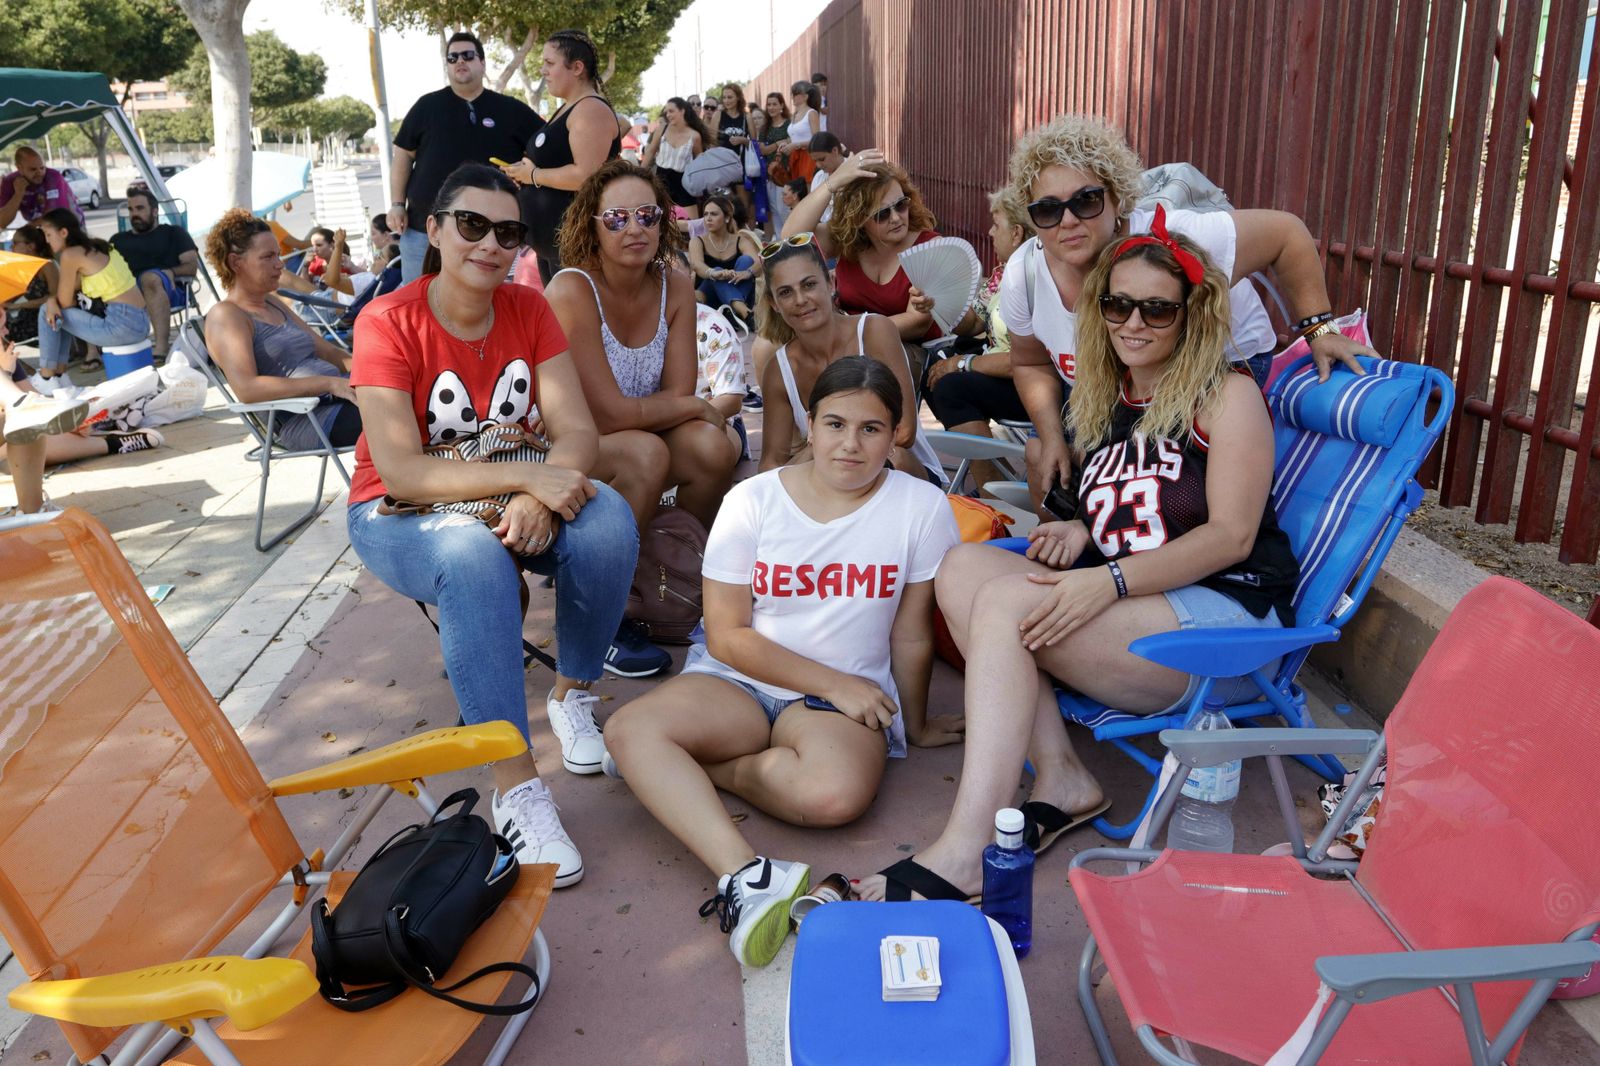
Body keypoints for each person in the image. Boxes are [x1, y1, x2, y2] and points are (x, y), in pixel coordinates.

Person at [860, 225, 1305, 904]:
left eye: (1157, 308)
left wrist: (1109, 578)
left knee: (1008, 606)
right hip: (1141, 608)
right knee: (963, 571)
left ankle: (965, 848)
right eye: (1118, 305)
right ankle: (1063, 778)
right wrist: (1081, 532)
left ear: (1192, 314)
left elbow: (1230, 538)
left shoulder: (1225, 394)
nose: (1134, 322)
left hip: (1226, 630)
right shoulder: (1108, 401)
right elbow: (1139, 514)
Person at [604, 356, 962, 966]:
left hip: (836, 704)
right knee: (628, 728)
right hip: (744, 680)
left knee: (831, 799)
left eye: (871, 429)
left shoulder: (921, 507)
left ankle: (688, 769)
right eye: (834, 424)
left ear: (895, 433)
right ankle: (746, 876)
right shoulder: (753, 500)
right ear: (810, 426)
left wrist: (918, 722)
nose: (850, 444)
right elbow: (725, 636)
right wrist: (832, 681)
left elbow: (910, 632)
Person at [350, 164, 638, 883]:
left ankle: (572, 695)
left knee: (609, 523)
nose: (490, 245)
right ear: (437, 229)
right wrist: (526, 479)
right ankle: (516, 787)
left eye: (507, 232)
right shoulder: (388, 320)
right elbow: (407, 471)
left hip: (516, 482)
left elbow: (576, 431)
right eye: (472, 226)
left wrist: (541, 494)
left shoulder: (529, 309)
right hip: (398, 508)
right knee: (474, 559)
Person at [998, 114, 1374, 513]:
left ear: (1116, 196)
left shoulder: (1173, 240)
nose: (1068, 221)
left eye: (1086, 200)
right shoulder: (1025, 275)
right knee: (1050, 463)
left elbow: (1286, 235)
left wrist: (1319, 328)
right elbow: (1030, 361)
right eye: (1047, 210)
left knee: (1162, 497)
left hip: (1218, 371)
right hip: (1118, 382)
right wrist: (1053, 434)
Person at [547, 159, 739, 586]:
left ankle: (673, 566)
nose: (634, 228)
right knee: (647, 451)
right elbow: (607, 416)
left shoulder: (677, 285)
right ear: (592, 226)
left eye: (647, 215)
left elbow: (677, 390)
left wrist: (682, 404)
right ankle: (604, 591)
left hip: (647, 433)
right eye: (616, 218)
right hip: (573, 445)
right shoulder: (572, 289)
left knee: (714, 445)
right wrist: (690, 405)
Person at [752, 232, 942, 481]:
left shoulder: (874, 331)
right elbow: (769, 465)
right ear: (774, 303)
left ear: (831, 283)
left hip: (897, 474)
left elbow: (904, 432)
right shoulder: (780, 369)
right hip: (831, 480)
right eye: (786, 292)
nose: (800, 300)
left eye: (809, 285)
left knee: (892, 457)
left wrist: (820, 445)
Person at [202, 209, 363, 453]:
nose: (280, 264)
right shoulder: (227, 316)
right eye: (268, 257)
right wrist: (328, 384)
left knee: (416, 396)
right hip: (305, 419)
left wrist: (373, 370)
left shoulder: (273, 302)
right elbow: (247, 388)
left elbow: (330, 353)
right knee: (402, 417)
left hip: (338, 399)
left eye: (278, 255)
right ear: (236, 262)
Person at [388, 32, 543, 283]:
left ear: (482, 63)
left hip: (492, 237)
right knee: (419, 307)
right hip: (423, 231)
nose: (460, 61)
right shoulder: (426, 107)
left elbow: (546, 146)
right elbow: (403, 155)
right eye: (453, 57)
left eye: (468, 55)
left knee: (493, 308)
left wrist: (527, 171)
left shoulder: (511, 110)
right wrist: (396, 204)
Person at [783, 150, 979, 346]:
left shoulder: (928, 247)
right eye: (882, 214)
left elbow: (917, 322)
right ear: (859, 219)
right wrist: (833, 182)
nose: (896, 218)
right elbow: (790, 238)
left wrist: (848, 332)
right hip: (849, 343)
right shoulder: (848, 240)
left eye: (901, 205)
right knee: (771, 347)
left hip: (907, 349)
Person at [923, 186, 1034, 489]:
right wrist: (939, 306)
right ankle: (991, 472)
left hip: (1030, 384)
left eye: (996, 225)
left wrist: (964, 364)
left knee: (950, 386)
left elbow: (1025, 361)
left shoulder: (1034, 280)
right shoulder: (1003, 274)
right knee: (933, 367)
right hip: (1001, 367)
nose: (989, 231)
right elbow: (973, 324)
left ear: (1017, 234)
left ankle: (990, 490)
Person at [0, 316, 162, 519]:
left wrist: (71, 424)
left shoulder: (8, 359)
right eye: (1, 324)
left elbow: (36, 405)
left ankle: (33, 512)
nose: (6, 332)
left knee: (30, 424)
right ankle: (112, 443)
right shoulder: (5, 364)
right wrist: (5, 373)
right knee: (23, 427)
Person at [502, 29, 622, 284]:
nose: (543, 71)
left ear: (577, 67)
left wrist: (532, 175)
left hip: (577, 246)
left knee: (578, 320)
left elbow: (585, 175)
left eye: (549, 63)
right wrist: (524, 171)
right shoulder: (568, 108)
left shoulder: (589, 109)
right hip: (553, 247)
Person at [33, 209, 152, 395]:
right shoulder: (100, 247)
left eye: (48, 234)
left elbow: (64, 303)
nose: (47, 240)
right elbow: (69, 297)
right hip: (142, 321)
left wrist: (50, 300)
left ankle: (47, 376)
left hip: (120, 325)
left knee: (46, 311)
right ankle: (60, 375)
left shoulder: (70, 255)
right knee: (55, 312)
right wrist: (54, 302)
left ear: (64, 233)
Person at [109, 185, 200, 359]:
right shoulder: (118, 240)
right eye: (131, 209)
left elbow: (191, 266)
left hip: (167, 288)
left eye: (140, 208)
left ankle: (161, 347)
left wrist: (171, 272)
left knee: (149, 278)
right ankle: (95, 352)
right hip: (127, 292)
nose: (134, 214)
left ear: (155, 211)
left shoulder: (173, 233)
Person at [688, 195, 760, 323]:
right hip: (709, 297)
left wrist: (747, 273)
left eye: (714, 214)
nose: (708, 218)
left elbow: (759, 263)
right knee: (716, 272)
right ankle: (743, 312)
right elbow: (697, 265)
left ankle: (733, 312)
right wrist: (714, 273)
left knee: (747, 261)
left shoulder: (740, 240)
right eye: (705, 214)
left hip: (740, 290)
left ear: (727, 218)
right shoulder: (697, 241)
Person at [641, 98, 709, 219]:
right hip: (661, 181)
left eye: (671, 111)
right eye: (666, 112)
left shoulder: (694, 136)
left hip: (684, 183)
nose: (668, 115)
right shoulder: (662, 129)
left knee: (692, 224)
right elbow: (651, 152)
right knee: (661, 222)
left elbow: (699, 162)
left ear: (682, 111)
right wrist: (639, 175)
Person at [0, 146, 82, 229]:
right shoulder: (10, 182)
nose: (39, 173)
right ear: (19, 168)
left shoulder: (53, 177)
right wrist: (18, 195)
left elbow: (54, 216)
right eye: (33, 169)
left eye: (42, 168)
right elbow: (2, 222)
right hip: (42, 228)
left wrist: (28, 228)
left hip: (70, 226)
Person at [5, 225, 57, 349]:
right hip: (21, 318)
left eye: (16, 243)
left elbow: (54, 297)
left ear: (31, 246)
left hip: (39, 320)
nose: (11, 247)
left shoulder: (47, 266)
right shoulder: (22, 265)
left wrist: (17, 305)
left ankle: (11, 365)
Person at [715, 84, 756, 224]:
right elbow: (710, 140)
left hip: (742, 166)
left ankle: (746, 233)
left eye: (730, 97)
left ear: (738, 97)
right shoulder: (718, 115)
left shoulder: (746, 117)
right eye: (724, 97)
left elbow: (754, 143)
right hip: (722, 166)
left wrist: (743, 140)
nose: (727, 100)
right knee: (724, 204)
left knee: (744, 205)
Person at [760, 92, 794, 231]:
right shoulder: (765, 127)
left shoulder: (789, 124)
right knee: (774, 210)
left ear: (781, 105)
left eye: (774, 104)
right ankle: (780, 241)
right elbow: (763, 150)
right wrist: (778, 143)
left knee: (784, 208)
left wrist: (776, 145)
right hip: (770, 174)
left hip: (785, 173)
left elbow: (793, 143)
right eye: (769, 104)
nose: (771, 107)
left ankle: (789, 237)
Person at [783, 82, 821, 189]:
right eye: (792, 94)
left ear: (805, 96)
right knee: (796, 191)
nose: (792, 97)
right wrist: (786, 144)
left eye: (795, 94)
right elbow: (793, 137)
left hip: (808, 157)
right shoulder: (794, 115)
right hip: (794, 156)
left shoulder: (811, 113)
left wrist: (796, 145)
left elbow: (816, 139)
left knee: (807, 188)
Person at [806, 132, 847, 225]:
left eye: (822, 159)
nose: (818, 165)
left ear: (835, 150)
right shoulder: (818, 177)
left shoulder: (853, 171)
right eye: (815, 161)